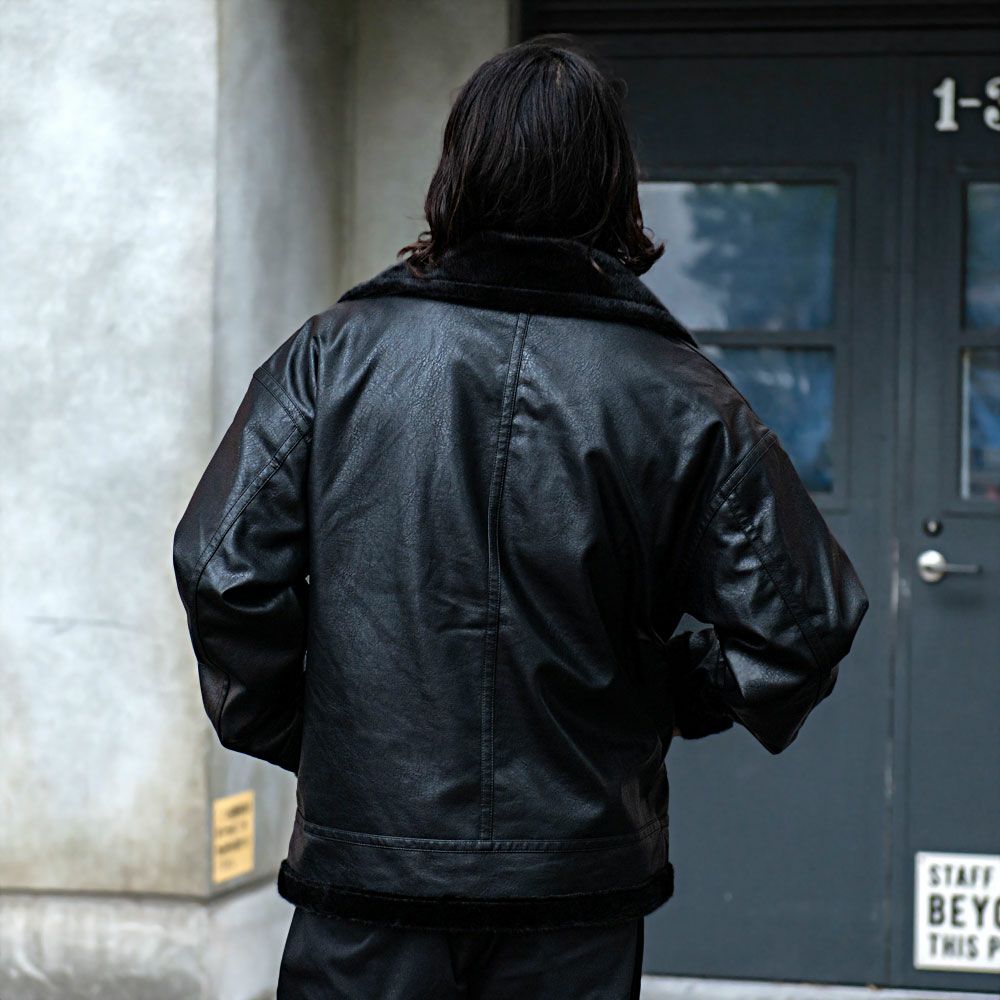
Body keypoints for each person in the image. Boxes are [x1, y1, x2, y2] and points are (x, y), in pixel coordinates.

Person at [172, 33, 869, 1000]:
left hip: (373, 882)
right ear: (612, 184)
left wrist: (323, 734)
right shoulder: (679, 394)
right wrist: (660, 698)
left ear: (461, 168)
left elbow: (223, 570)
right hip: (573, 888)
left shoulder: (333, 357)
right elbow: (803, 624)